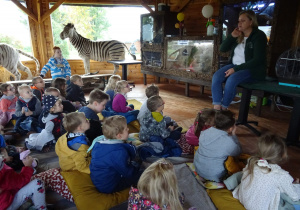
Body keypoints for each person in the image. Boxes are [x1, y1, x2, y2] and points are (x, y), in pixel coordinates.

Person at [211, 10, 267, 110]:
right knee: (216, 77)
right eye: (238, 21)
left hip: (252, 69)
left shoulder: (259, 36)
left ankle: (224, 108)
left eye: (243, 21)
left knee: (232, 79)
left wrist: (236, 70)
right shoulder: (238, 35)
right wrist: (232, 36)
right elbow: (222, 49)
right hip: (234, 65)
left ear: (251, 22)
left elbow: (257, 60)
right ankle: (217, 107)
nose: (239, 23)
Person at [232, 133, 300, 210]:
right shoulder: (281, 175)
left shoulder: (252, 162)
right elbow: (295, 196)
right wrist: (296, 185)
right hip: (259, 207)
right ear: (283, 155)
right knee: (291, 200)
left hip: (243, 199)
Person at [88, 115, 141, 194]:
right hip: (109, 186)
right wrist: (136, 167)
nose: (128, 129)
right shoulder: (119, 152)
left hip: (98, 180)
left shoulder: (98, 143)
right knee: (141, 174)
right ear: (119, 136)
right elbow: (128, 172)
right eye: (126, 129)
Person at [194, 110, 241, 182]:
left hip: (198, 168)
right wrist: (233, 135)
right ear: (231, 128)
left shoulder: (204, 132)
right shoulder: (228, 141)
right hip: (214, 175)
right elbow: (238, 152)